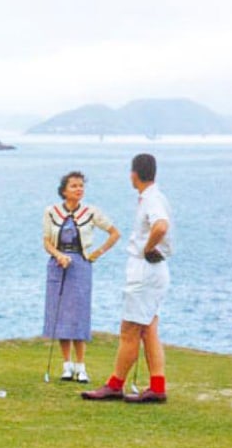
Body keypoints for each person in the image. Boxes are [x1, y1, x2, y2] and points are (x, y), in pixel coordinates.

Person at [82, 153, 173, 403]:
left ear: (134, 174)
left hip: (145, 270)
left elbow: (161, 226)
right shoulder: (155, 196)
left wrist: (147, 247)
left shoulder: (151, 199)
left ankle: (115, 384)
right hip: (154, 271)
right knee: (148, 329)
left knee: (130, 329)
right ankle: (157, 385)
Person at [42, 171, 120, 382]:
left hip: (81, 266)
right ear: (64, 190)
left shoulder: (91, 212)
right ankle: (66, 365)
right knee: (61, 315)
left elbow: (114, 233)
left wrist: (97, 253)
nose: (79, 189)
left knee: (79, 315)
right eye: (74, 186)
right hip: (58, 266)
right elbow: (47, 242)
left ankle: (81, 366)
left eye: (81, 186)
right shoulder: (51, 212)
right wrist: (58, 255)